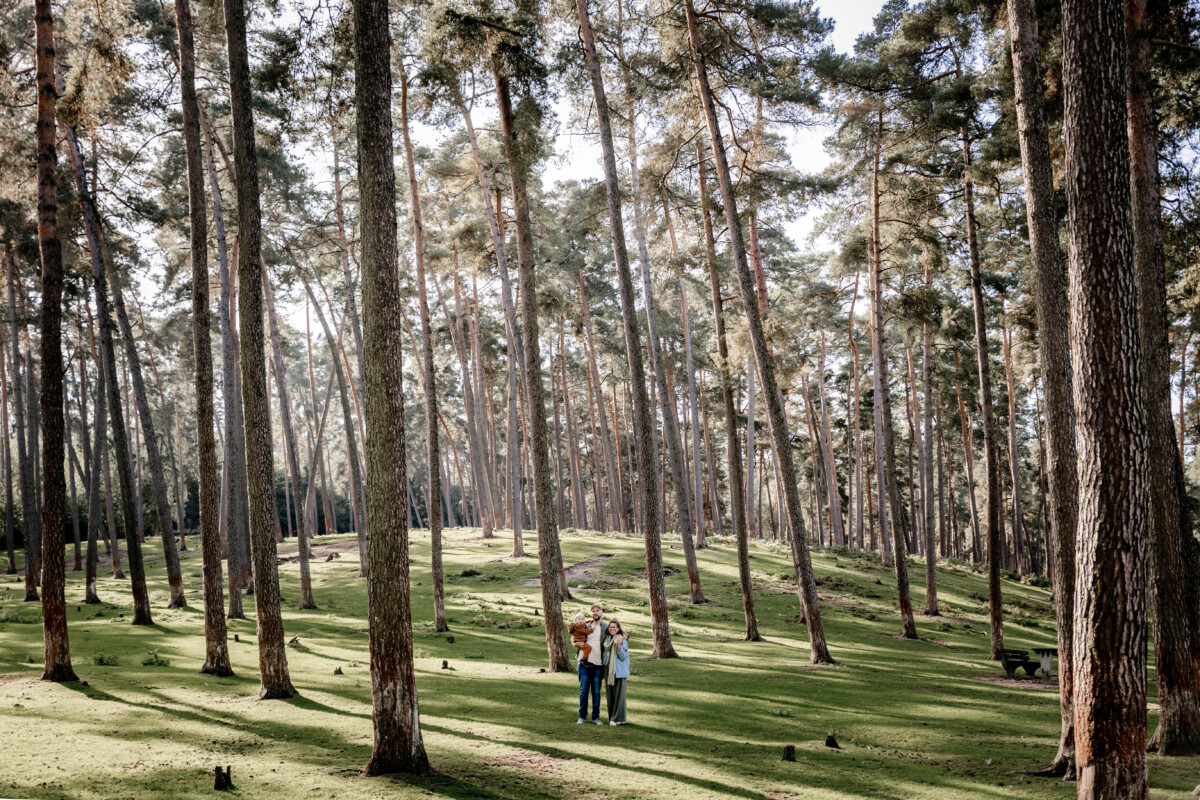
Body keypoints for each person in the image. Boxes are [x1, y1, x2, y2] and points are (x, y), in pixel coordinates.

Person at [577, 603, 605, 724]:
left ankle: (596, 717)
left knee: (596, 692)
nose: (595, 612)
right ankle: (582, 717)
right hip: (584, 663)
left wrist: (626, 636)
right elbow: (574, 633)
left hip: (598, 664)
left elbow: (618, 632)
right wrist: (574, 644)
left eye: (597, 610)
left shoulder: (606, 627)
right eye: (593, 610)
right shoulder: (585, 625)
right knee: (584, 691)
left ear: (601, 613)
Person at [602, 619, 629, 725]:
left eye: (614, 627)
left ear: (618, 629)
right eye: (610, 627)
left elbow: (623, 657)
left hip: (619, 671)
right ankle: (612, 718)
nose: (612, 628)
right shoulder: (607, 640)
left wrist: (618, 646)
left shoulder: (622, 640)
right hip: (609, 671)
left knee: (619, 697)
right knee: (610, 696)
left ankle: (617, 719)